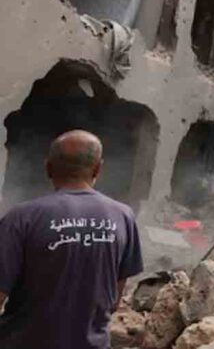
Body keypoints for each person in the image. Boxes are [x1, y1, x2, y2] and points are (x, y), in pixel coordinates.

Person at [0, 130, 144, 348]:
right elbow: (114, 298)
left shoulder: (21, 218)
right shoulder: (123, 216)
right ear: (98, 168)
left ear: (48, 168)